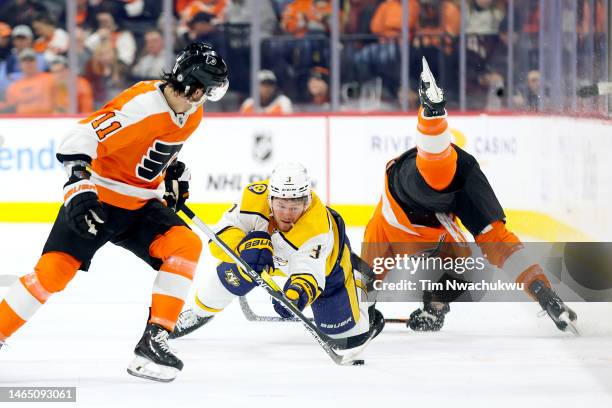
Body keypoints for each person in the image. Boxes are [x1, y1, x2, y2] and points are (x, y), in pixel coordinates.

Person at [0, 42, 229, 382]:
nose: (206, 98)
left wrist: (174, 172)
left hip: (140, 206)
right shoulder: (139, 106)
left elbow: (154, 149)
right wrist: (78, 185)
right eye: (207, 91)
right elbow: (79, 137)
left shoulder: (192, 112)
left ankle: (154, 340)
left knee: (185, 244)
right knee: (51, 275)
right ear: (195, 87)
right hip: (100, 201)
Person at [361, 58, 578, 334]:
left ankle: (434, 307)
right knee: (470, 258)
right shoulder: (402, 214)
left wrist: (543, 292)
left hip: (419, 203)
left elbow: (500, 244)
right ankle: (432, 119)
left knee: (464, 263)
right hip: (423, 196)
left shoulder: (457, 183)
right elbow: (498, 245)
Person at [169, 162, 385, 350]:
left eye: (294, 207)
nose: (287, 214)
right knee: (237, 270)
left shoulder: (316, 227)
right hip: (273, 257)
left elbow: (308, 270)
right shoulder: (254, 198)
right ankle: (198, 312)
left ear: (306, 202)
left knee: (346, 338)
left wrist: (296, 293)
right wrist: (243, 248)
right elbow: (220, 238)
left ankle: (359, 279)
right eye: (281, 206)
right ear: (270, 199)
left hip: (328, 268)